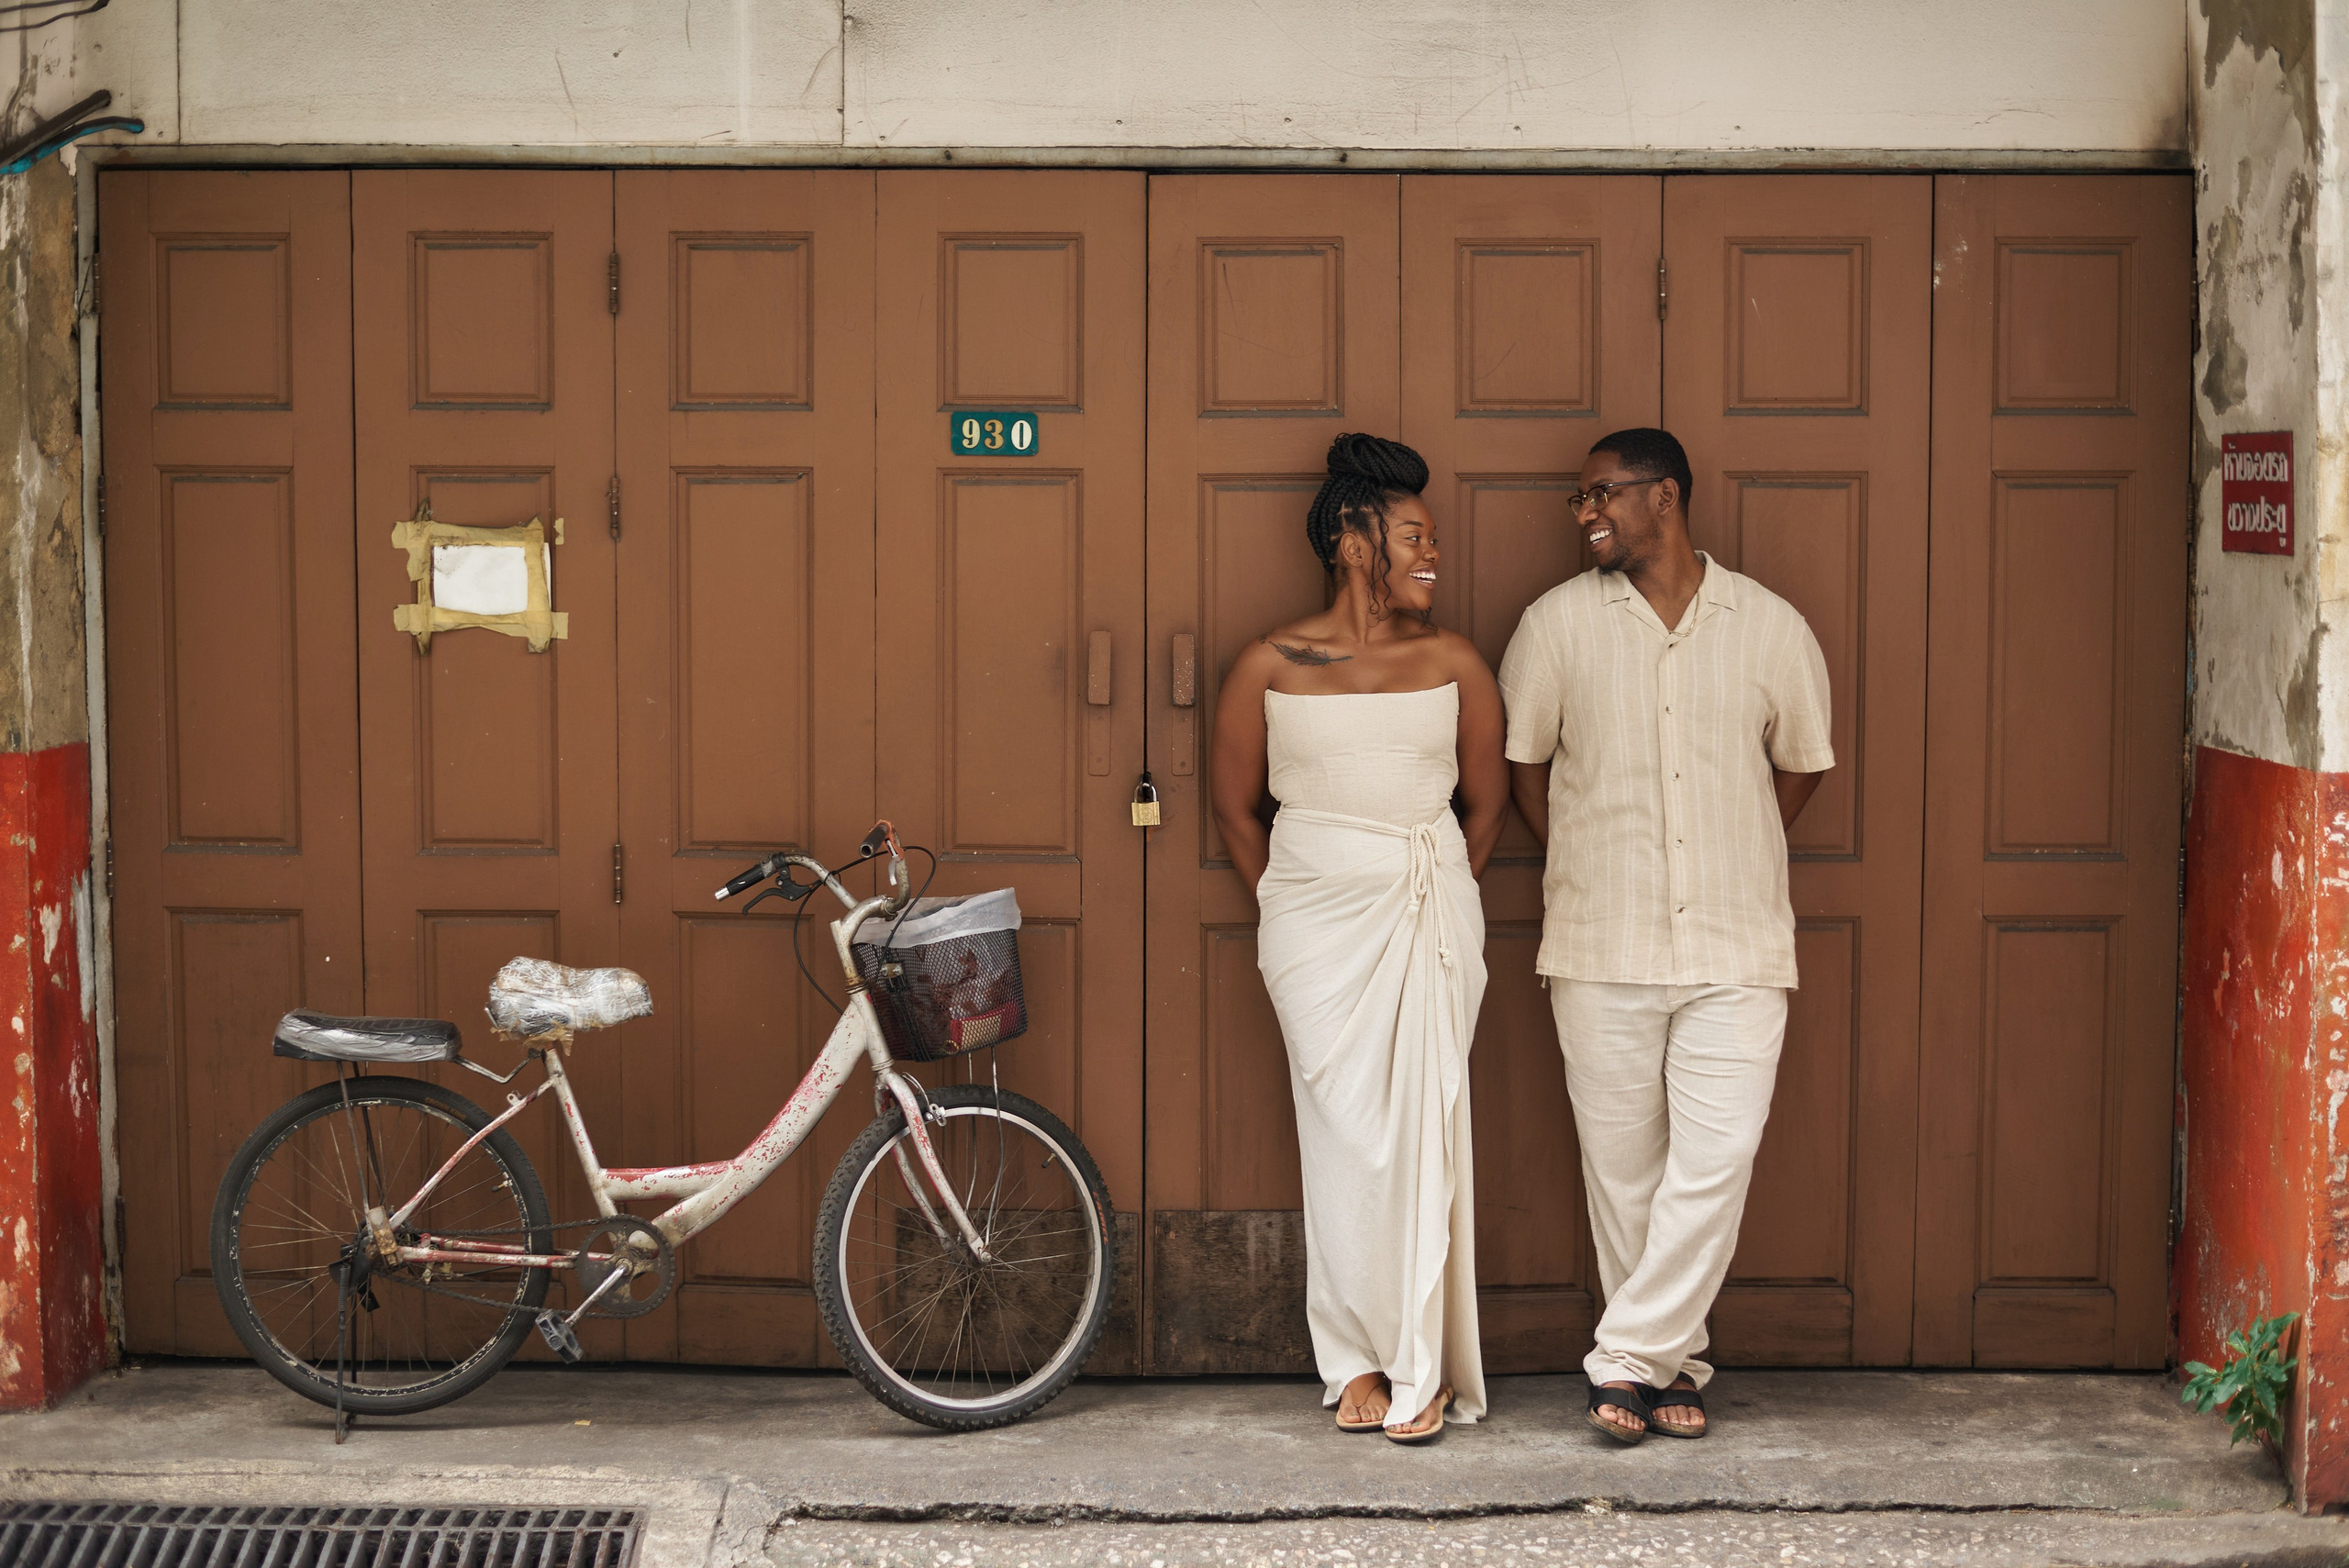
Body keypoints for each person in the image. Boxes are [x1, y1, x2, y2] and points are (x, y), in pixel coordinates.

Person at [1497, 428, 1832, 1445]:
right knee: (1625, 1173)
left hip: (1737, 944)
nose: (1584, 512)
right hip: (1600, 942)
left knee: (1716, 1157)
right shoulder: (1553, 625)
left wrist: (1738, 840)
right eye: (1578, 498)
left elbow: (1801, 761)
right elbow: (1524, 765)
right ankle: (1674, 1365)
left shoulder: (1770, 626)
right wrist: (1592, 853)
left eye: (1600, 493)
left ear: (1666, 497)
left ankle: (1624, 1358)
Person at [1210, 433, 1510, 1444]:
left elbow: (1487, 806)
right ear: (1352, 536)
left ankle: (1422, 1358)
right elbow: (1236, 811)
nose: (1434, 557)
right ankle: (1355, 1356)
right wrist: (1291, 908)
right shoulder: (1267, 662)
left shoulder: (1456, 660)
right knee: (1340, 1143)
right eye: (1415, 536)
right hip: (1313, 936)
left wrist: (1424, 888)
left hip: (1425, 918)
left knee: (1424, 1139)